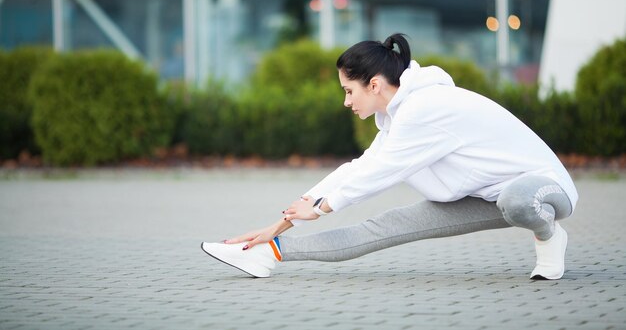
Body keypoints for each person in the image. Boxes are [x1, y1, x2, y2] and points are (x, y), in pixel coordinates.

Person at [201, 33, 578, 280]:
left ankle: (549, 237)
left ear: (375, 84)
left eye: (349, 91)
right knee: (386, 226)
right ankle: (266, 255)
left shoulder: (426, 107)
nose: (347, 101)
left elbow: (380, 173)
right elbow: (358, 169)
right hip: (489, 196)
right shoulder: (395, 116)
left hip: (544, 190)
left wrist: (321, 208)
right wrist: (278, 226)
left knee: (517, 200)